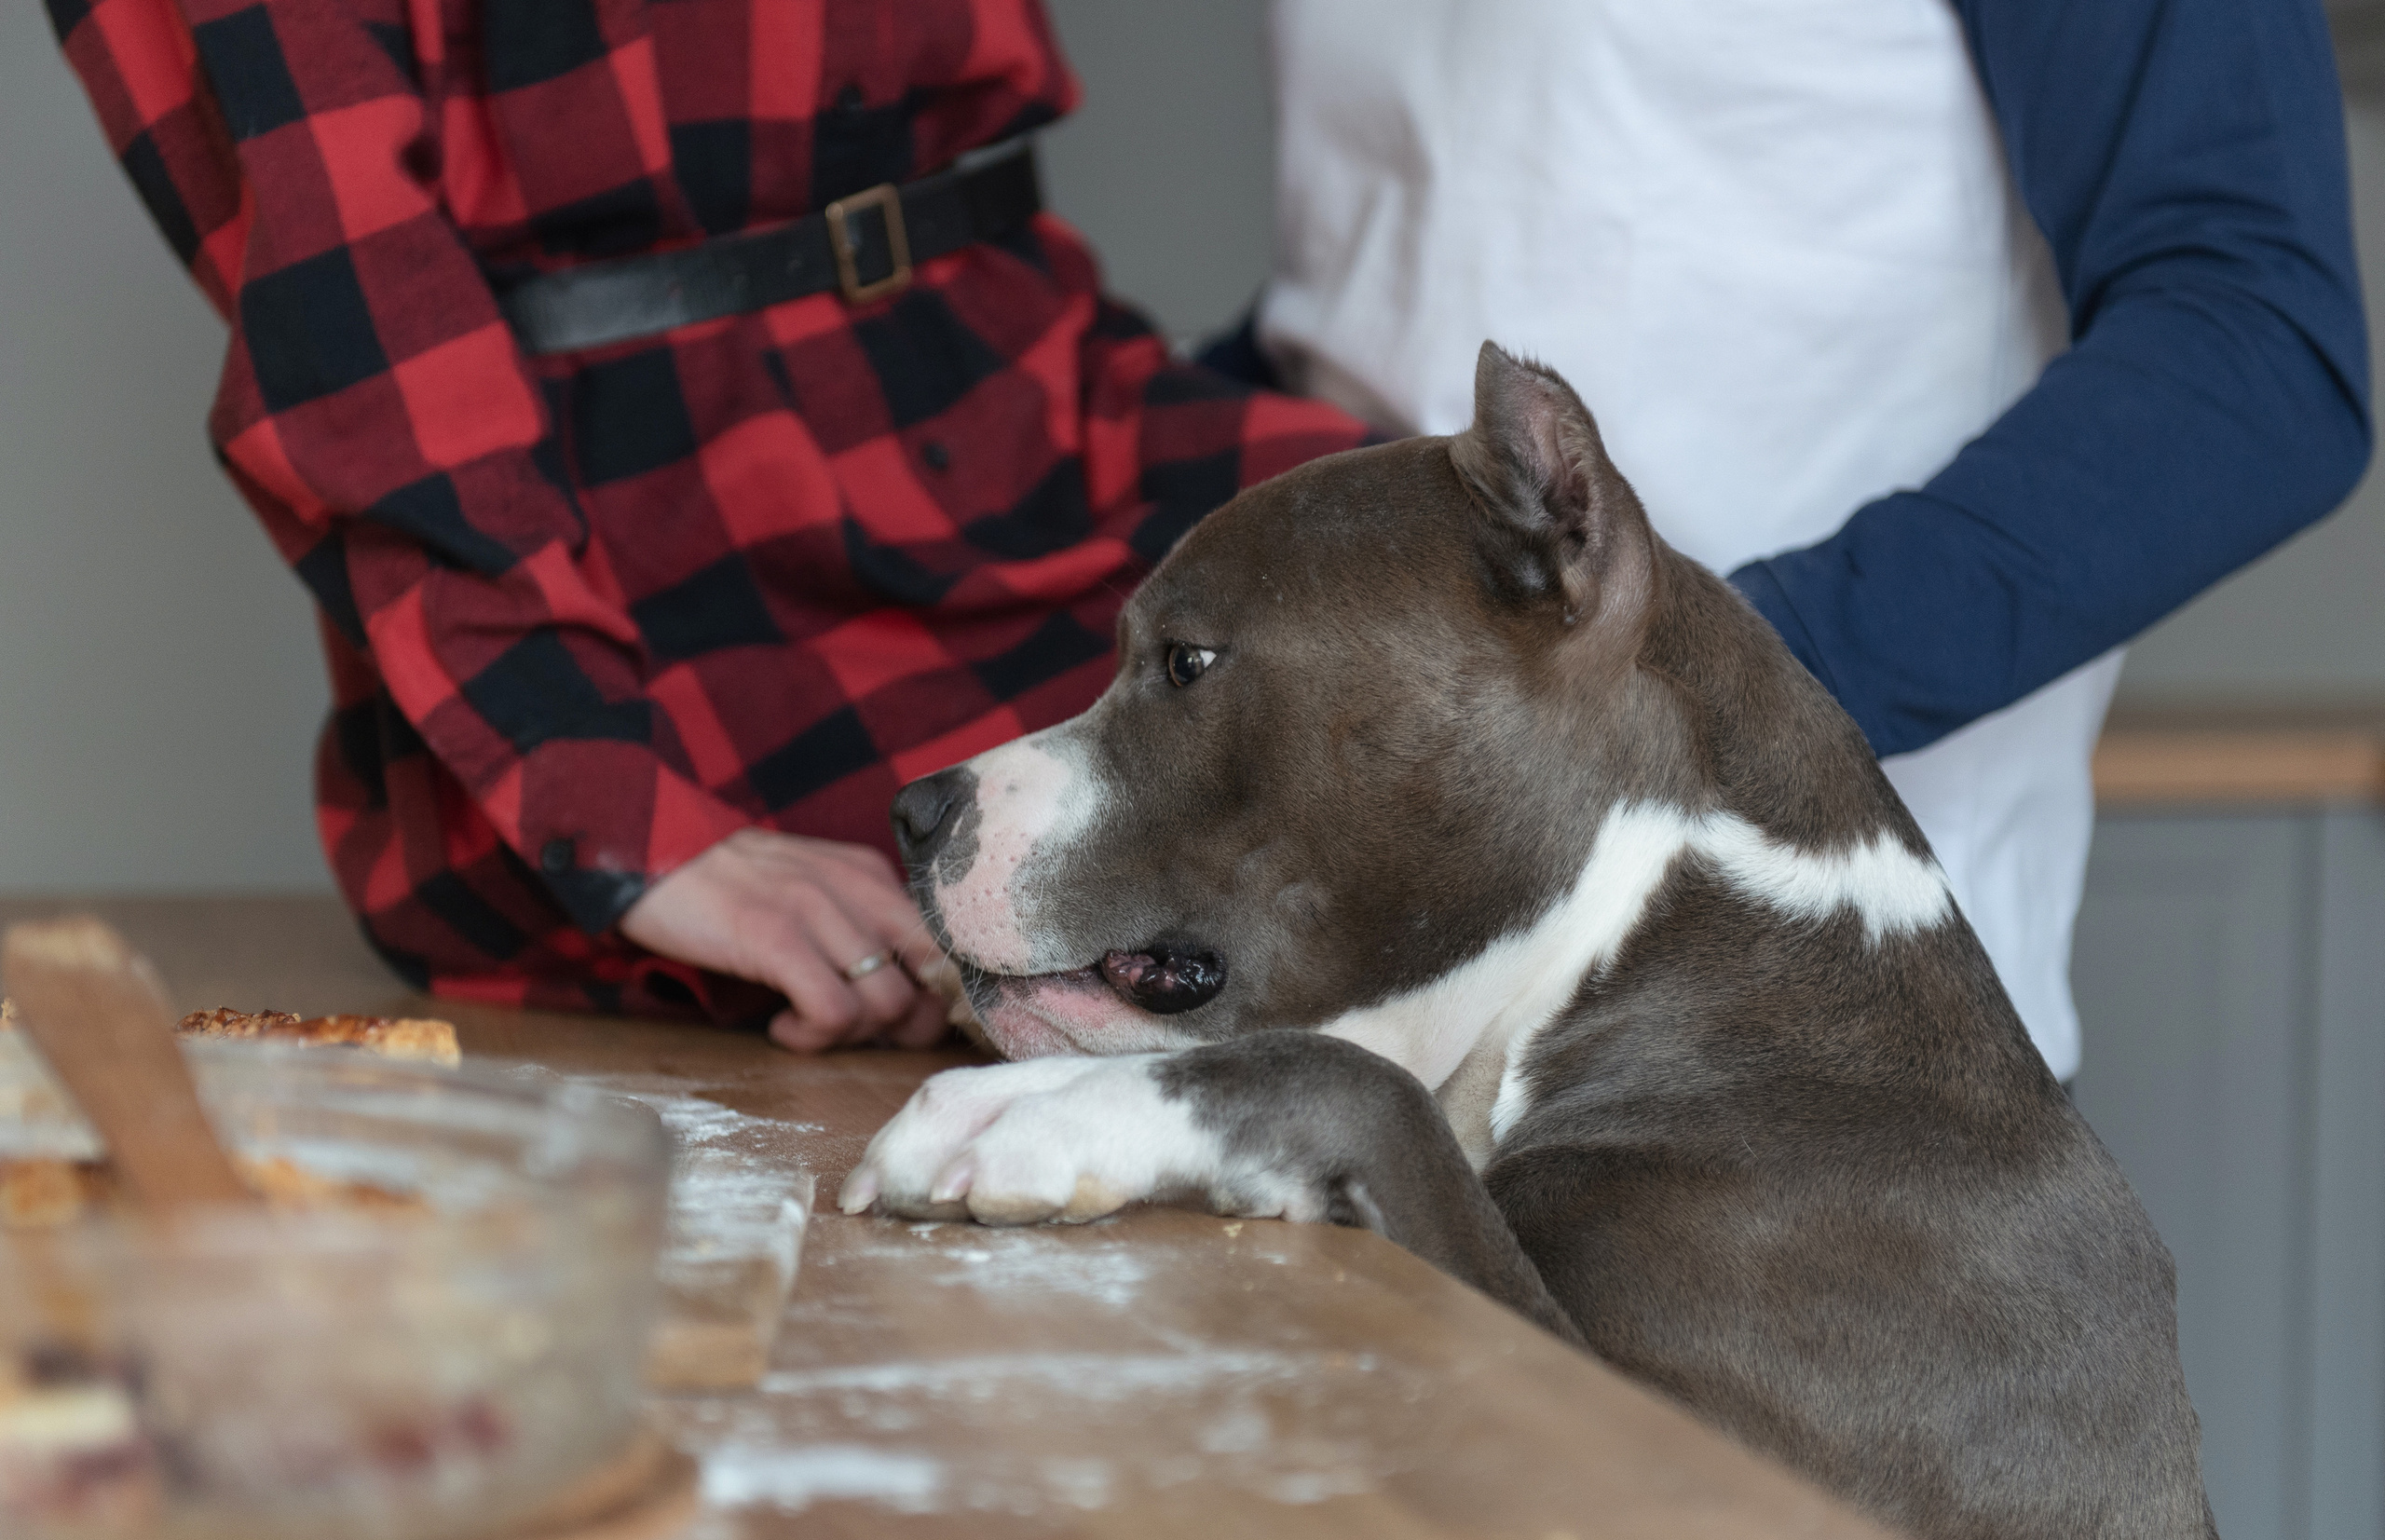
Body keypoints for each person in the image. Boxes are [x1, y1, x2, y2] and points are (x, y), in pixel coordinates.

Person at [47, 0, 1369, 1049]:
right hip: (666, 562)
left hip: (1037, 386)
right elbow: (345, 325)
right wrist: (623, 811)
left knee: (1501, 662)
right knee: (1306, 899)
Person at [1211, 0, 2371, 1081]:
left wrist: (1690, 693)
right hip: (1325, 981)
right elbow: (1387, 292)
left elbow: (2255, 349)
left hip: (1795, 1052)